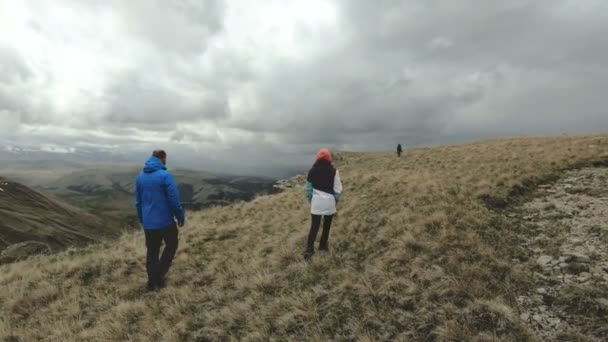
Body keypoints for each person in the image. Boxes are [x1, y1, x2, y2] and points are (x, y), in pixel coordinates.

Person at [135, 150, 185, 291]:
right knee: (171, 245)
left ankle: (152, 283)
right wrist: (180, 216)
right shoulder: (165, 176)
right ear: (163, 158)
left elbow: (138, 203)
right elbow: (174, 201)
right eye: (165, 159)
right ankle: (158, 276)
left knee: (152, 252)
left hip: (149, 224)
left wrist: (142, 219)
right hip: (165, 222)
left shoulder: (140, 177)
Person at [304, 148, 343, 261]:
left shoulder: (312, 171)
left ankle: (309, 250)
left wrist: (311, 201)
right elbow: (338, 189)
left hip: (316, 203)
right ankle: (323, 246)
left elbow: (309, 189)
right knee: (326, 226)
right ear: (329, 158)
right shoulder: (334, 171)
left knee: (314, 227)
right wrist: (335, 201)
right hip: (329, 202)